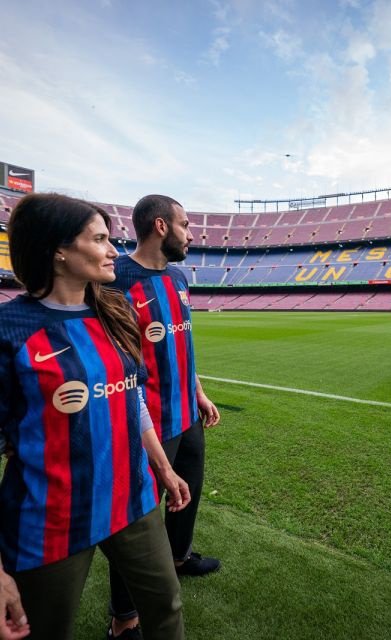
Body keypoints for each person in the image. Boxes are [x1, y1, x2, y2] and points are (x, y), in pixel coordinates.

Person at [0, 193, 191, 640]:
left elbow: (132, 396)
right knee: (43, 629)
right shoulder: (10, 330)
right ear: (59, 251)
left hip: (134, 498)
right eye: (100, 239)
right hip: (50, 516)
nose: (113, 251)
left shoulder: (114, 311)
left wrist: (162, 467)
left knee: (166, 609)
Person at [107, 194, 221, 638]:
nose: (191, 234)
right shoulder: (116, 278)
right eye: (185, 225)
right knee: (140, 518)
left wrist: (198, 391)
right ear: (160, 226)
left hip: (186, 414)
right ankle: (124, 615)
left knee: (188, 492)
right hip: (147, 421)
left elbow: (183, 344)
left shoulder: (177, 276)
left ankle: (178, 557)